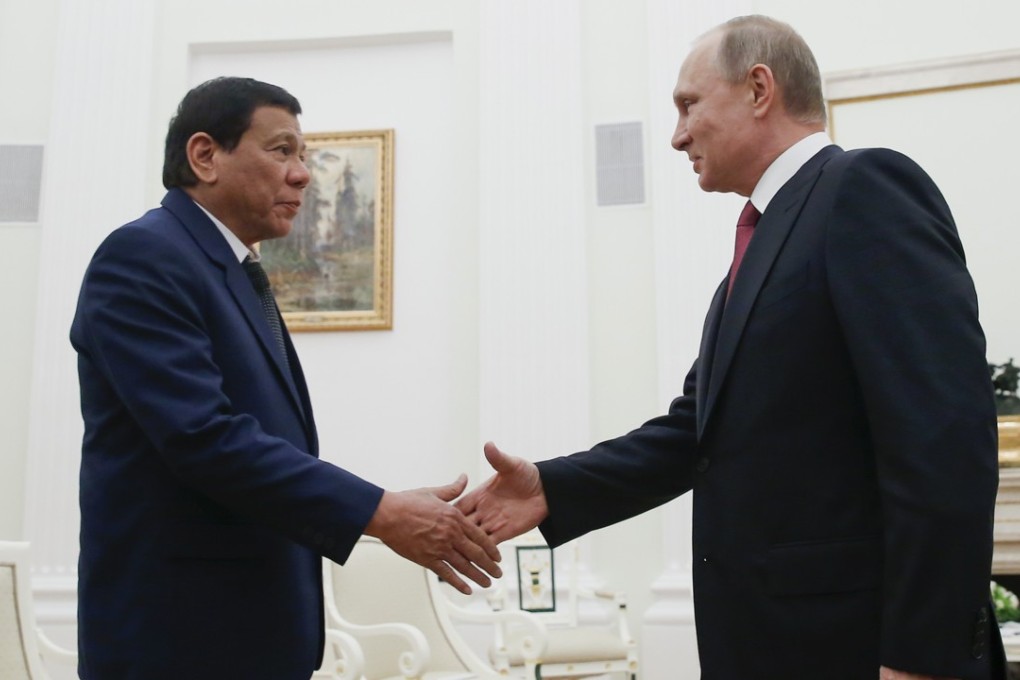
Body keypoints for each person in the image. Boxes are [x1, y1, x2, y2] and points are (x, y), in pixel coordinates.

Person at [457, 15, 1005, 680]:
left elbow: (943, 436)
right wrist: (552, 488)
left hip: (861, 650)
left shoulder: (865, 188)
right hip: (773, 645)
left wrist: (924, 658)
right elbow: (696, 432)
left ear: (759, 88)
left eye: (689, 104)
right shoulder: (765, 243)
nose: (677, 134)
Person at [70, 76, 500, 680]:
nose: (302, 175)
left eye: (304, 155)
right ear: (205, 155)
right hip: (178, 639)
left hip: (249, 637)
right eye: (281, 151)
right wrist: (382, 513)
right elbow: (204, 437)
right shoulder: (143, 256)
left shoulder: (229, 266)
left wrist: (384, 510)